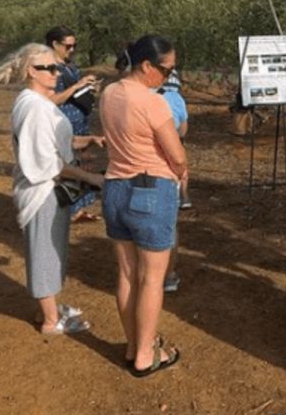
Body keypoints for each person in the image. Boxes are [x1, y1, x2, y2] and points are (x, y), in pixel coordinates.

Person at [0, 43, 105, 335]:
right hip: (42, 191)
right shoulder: (34, 107)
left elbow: (56, 144)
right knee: (44, 251)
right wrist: (91, 179)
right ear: (32, 70)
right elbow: (48, 162)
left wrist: (88, 140)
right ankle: (50, 321)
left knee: (51, 249)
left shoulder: (36, 103)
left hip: (48, 189)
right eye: (50, 68)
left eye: (58, 68)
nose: (58, 73)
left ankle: (51, 308)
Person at [99, 35, 187, 377]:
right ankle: (147, 354)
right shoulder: (153, 103)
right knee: (152, 279)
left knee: (126, 274)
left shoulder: (109, 93)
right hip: (151, 189)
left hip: (115, 188)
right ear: (148, 66)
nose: (168, 77)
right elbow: (176, 154)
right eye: (167, 70)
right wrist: (181, 171)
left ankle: (134, 344)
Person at [44, 26, 101, 222]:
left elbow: (71, 94)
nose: (72, 50)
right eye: (68, 46)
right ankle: (67, 210)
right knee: (68, 166)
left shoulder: (70, 66)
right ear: (55, 44)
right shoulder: (50, 70)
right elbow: (51, 100)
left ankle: (78, 209)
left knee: (84, 165)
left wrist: (87, 88)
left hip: (79, 122)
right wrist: (77, 86)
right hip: (64, 125)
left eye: (74, 45)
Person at [157, 69, 189, 294]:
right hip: (166, 169)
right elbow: (183, 130)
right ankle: (168, 275)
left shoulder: (121, 96)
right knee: (169, 225)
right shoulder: (175, 99)